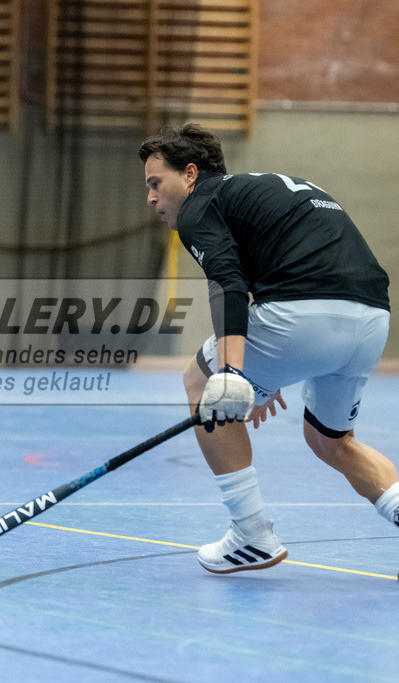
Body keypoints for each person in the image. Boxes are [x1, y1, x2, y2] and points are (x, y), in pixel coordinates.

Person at [138, 123, 397, 574]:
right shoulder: (264, 190)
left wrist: (233, 374)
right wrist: (266, 375)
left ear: (191, 175)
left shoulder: (202, 207)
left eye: (156, 183)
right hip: (371, 321)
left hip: (302, 317)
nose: (152, 199)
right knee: (331, 441)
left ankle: (251, 534)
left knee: (199, 381)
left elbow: (228, 285)